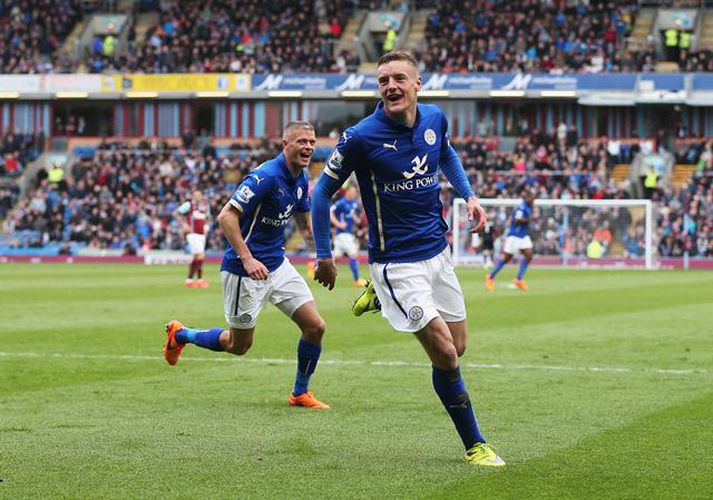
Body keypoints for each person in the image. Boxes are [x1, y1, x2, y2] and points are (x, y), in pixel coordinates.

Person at [310, 50, 504, 467]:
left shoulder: (435, 118)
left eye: (399, 78)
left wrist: (468, 194)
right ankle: (476, 444)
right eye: (383, 81)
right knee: (446, 356)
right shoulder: (360, 137)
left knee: (459, 346)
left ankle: (378, 295)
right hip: (397, 263)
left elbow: (446, 154)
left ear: (418, 84)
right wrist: (324, 255)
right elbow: (321, 192)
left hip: (437, 251)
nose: (391, 87)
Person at [164, 121, 329, 410]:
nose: (308, 147)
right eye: (301, 141)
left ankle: (300, 393)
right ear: (285, 144)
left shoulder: (301, 178)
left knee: (315, 327)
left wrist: (319, 254)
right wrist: (247, 258)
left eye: (312, 142)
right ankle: (180, 334)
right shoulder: (265, 176)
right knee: (238, 346)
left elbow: (303, 220)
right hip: (245, 272)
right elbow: (226, 216)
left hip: (277, 265)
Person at [485, 187, 535, 292]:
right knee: (506, 258)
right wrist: (528, 219)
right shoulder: (521, 207)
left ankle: (519, 279)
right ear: (527, 198)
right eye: (532, 198)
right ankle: (490, 277)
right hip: (515, 236)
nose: (533, 200)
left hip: (523, 236)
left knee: (529, 255)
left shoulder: (528, 207)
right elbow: (517, 220)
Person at [330, 185, 367, 287]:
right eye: (352, 191)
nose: (354, 193)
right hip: (343, 234)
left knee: (336, 258)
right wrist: (338, 224)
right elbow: (331, 213)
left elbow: (352, 217)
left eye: (355, 192)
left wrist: (356, 220)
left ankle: (314, 267)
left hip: (347, 234)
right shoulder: (342, 203)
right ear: (347, 192)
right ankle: (356, 280)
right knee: (354, 255)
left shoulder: (354, 204)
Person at [177, 190, 210, 288]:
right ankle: (199, 280)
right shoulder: (188, 205)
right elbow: (178, 212)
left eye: (199, 195)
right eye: (195, 195)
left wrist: (206, 227)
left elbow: (207, 219)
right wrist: (183, 224)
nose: (197, 196)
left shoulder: (205, 206)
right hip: (193, 234)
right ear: (193, 196)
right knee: (200, 256)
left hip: (201, 235)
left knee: (197, 257)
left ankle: (189, 281)